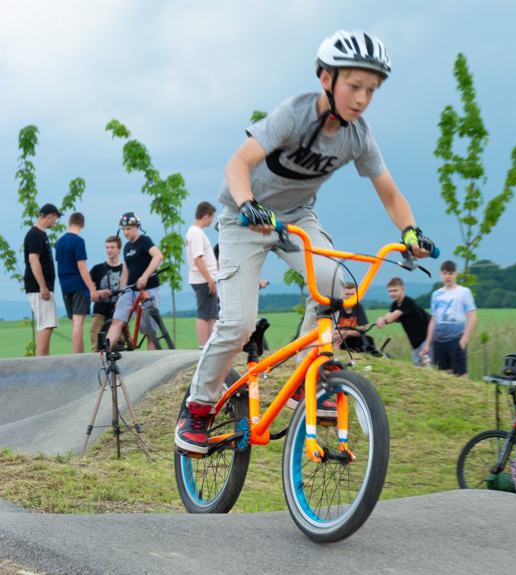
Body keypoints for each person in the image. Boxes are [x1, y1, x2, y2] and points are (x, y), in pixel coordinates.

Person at [175, 31, 433, 455]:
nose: (363, 98)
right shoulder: (291, 116)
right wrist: (248, 205)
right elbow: (237, 164)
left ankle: (305, 381)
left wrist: (410, 232)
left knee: (337, 285)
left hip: (296, 219)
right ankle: (198, 407)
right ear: (326, 78)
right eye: (354, 86)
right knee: (238, 325)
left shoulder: (358, 137)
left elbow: (389, 191)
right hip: (245, 219)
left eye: (372, 90)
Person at [105, 213, 164, 351]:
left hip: (148, 288)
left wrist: (145, 276)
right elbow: (125, 272)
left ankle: (152, 365)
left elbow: (158, 256)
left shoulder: (145, 241)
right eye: (124, 229)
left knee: (150, 331)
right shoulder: (126, 247)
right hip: (130, 289)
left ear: (137, 227)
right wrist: (120, 293)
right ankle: (105, 352)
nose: (126, 232)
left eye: (129, 229)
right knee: (117, 320)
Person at [422, 260, 477, 378]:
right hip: (439, 341)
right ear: (441, 274)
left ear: (456, 274)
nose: (448, 276)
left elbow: (472, 316)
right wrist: (427, 344)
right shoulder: (436, 294)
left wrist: (464, 339)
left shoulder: (463, 292)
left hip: (456, 339)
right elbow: (433, 320)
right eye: (445, 273)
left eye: (450, 273)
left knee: (461, 375)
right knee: (443, 375)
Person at [54, 212, 101, 354]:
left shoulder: (59, 242)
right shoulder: (78, 241)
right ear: (83, 225)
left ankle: (80, 354)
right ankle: (76, 357)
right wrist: (92, 288)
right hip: (78, 285)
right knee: (79, 321)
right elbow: (81, 266)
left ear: (69, 222)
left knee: (74, 322)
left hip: (64, 285)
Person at [23, 203, 62, 356]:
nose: (55, 222)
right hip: (39, 287)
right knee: (46, 323)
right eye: (55, 219)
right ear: (50, 216)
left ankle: (43, 359)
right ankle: (41, 362)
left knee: (48, 323)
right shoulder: (35, 234)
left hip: (44, 286)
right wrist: (42, 286)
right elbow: (33, 260)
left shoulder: (41, 234)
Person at [375, 277, 431, 366]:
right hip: (415, 343)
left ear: (403, 289)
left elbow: (390, 319)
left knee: (428, 367)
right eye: (390, 291)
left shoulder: (407, 302)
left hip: (426, 339)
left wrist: (381, 319)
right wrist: (382, 318)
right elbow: (389, 315)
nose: (392, 294)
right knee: (419, 369)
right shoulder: (395, 304)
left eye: (395, 290)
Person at [185, 201, 219, 348]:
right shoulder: (197, 233)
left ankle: (210, 344)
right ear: (205, 216)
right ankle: (203, 345)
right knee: (205, 314)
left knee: (212, 314)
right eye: (212, 217)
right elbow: (198, 259)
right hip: (203, 279)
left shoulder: (193, 232)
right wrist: (209, 279)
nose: (212, 221)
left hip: (203, 278)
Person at [88, 236, 123, 352]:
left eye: (112, 247)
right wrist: (98, 292)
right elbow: (87, 290)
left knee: (119, 348)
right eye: (107, 247)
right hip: (100, 313)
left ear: (119, 249)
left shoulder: (125, 269)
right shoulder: (97, 269)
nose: (109, 250)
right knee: (97, 347)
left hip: (118, 315)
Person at [333, 282, 368, 351]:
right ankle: (338, 354)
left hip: (351, 338)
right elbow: (336, 331)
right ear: (342, 294)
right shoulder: (337, 308)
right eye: (347, 294)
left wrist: (347, 332)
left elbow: (362, 330)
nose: (350, 296)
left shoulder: (359, 307)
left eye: (353, 294)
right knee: (336, 338)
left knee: (367, 339)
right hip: (339, 339)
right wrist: (350, 332)